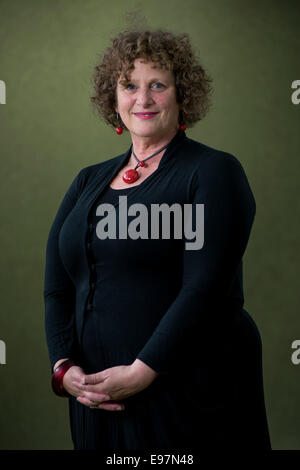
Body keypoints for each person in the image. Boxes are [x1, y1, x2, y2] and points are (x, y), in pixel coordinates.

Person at [43, 29, 272, 451]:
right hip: (96, 398)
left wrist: (141, 372)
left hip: (187, 393)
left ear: (181, 93)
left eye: (157, 85)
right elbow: (57, 287)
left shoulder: (213, 172)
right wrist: (64, 369)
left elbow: (204, 289)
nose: (142, 99)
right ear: (113, 98)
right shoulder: (87, 181)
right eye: (129, 85)